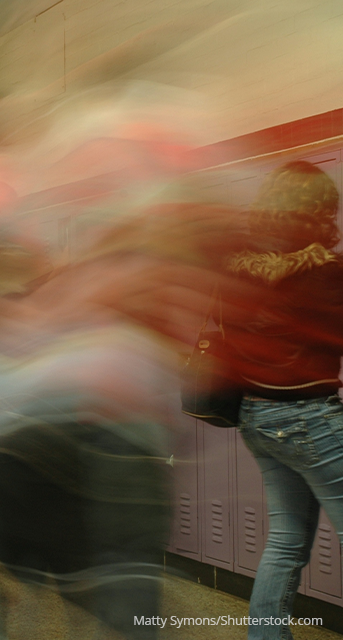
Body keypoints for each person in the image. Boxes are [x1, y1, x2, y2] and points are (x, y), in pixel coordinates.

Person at [223, 161, 343, 640]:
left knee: (286, 542)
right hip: (309, 419)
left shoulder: (238, 271)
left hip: (256, 415)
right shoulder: (327, 272)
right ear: (321, 210)